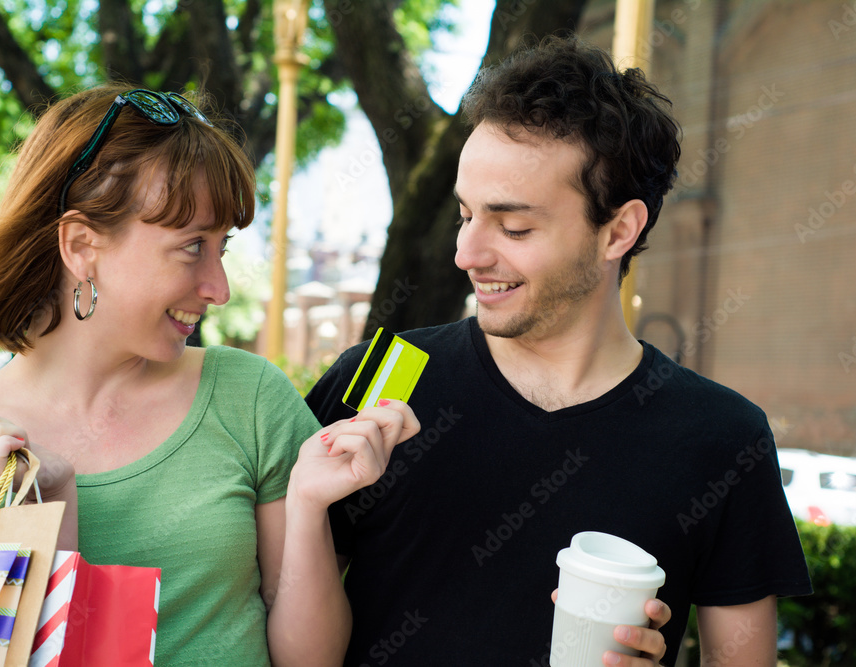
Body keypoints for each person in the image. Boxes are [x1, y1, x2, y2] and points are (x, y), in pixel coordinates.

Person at [303, 36, 812, 665]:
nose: (467, 255)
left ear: (619, 230)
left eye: (514, 227)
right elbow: (281, 633)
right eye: (466, 215)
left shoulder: (723, 438)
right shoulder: (383, 377)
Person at [0, 84, 417, 666]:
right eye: (192, 246)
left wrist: (304, 505)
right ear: (81, 244)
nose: (218, 289)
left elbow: (310, 662)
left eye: (221, 247)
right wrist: (29, 514)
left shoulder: (249, 397)